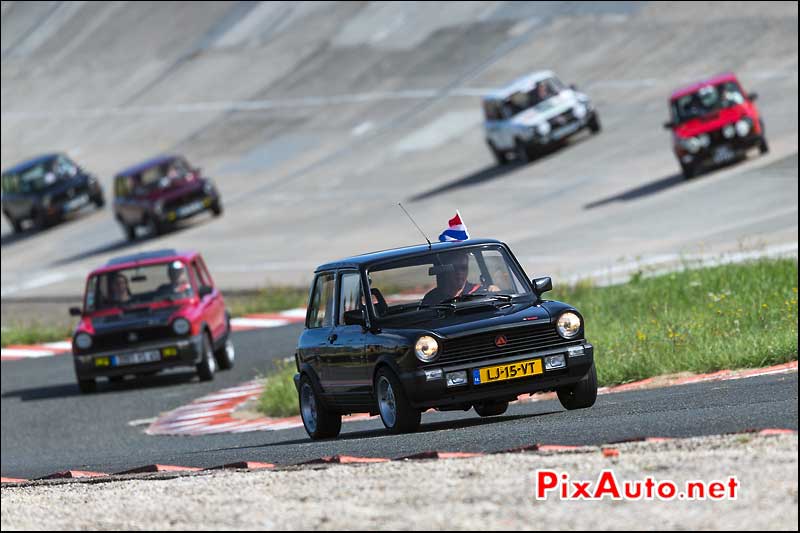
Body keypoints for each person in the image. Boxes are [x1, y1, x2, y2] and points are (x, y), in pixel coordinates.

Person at [421, 251, 499, 307]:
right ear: (446, 270)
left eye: (463, 268)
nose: (459, 272)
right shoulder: (432, 298)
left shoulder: (480, 293)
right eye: (455, 268)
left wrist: (496, 294)